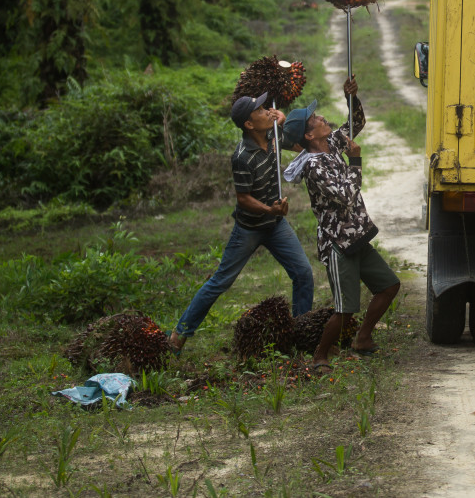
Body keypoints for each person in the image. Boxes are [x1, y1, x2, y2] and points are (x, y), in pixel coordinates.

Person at [169, 92, 315, 354]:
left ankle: (301, 335)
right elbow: (244, 198)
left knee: (303, 273)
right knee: (220, 282)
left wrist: (282, 121)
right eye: (260, 110)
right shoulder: (242, 156)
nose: (266, 111)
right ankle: (179, 334)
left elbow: (297, 144)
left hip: (275, 225)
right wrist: (270, 209)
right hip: (249, 228)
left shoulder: (272, 135)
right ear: (249, 124)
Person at [282, 78, 400, 374]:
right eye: (315, 119)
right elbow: (347, 196)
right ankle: (320, 355)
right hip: (339, 244)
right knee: (345, 309)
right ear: (309, 135)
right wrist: (356, 161)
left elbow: (355, 123)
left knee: (389, 286)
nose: (322, 118)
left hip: (357, 237)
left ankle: (363, 338)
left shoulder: (331, 144)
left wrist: (352, 98)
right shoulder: (314, 167)